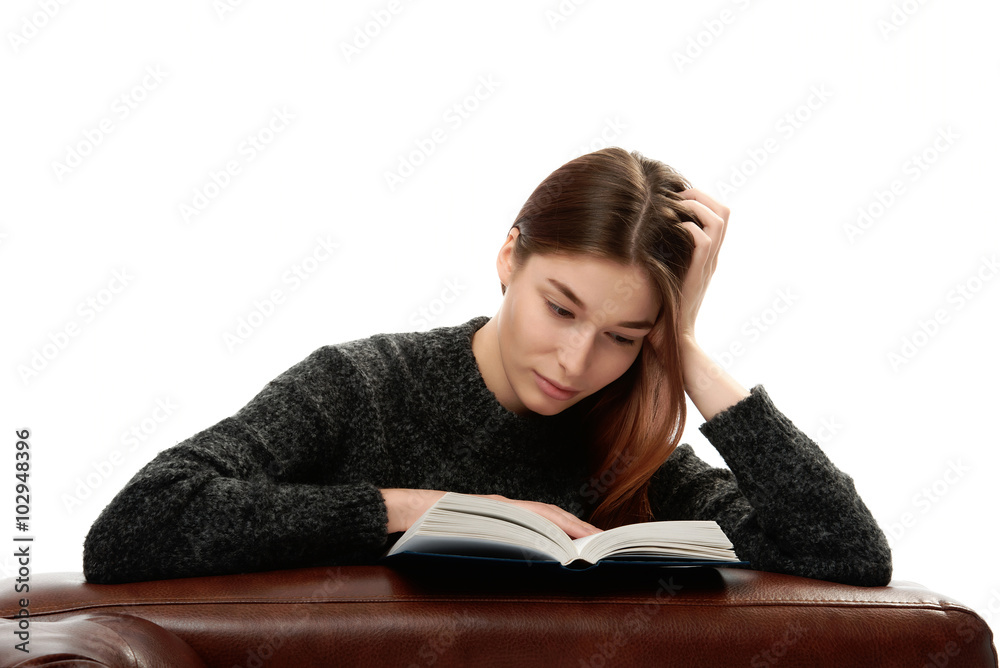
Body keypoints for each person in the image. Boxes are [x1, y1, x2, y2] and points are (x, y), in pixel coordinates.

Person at [83, 147, 892, 587]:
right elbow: (134, 530)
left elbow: (847, 552)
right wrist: (414, 507)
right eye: (562, 307)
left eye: (624, 335)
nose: (577, 362)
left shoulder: (625, 447)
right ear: (510, 256)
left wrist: (680, 346)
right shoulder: (363, 386)